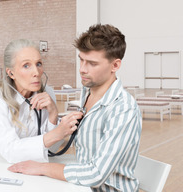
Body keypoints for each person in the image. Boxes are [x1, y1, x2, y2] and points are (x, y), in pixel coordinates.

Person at [8, 24, 142, 191]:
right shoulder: (87, 91)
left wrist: (42, 168)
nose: (82, 69)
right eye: (81, 60)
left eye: (92, 63)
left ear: (115, 66)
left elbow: (96, 175)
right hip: (81, 186)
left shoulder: (123, 109)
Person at [0, 39, 83, 163]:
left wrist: (53, 115)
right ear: (11, 73)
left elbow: (50, 151)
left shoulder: (47, 94)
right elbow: (10, 150)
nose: (36, 72)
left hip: (26, 163)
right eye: (26, 65)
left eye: (38, 64)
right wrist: (57, 133)